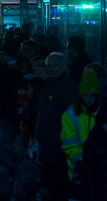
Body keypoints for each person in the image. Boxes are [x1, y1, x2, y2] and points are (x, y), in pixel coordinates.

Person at [36, 52, 79, 201]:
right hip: (49, 146)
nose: (52, 69)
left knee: (58, 187)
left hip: (58, 148)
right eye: (49, 66)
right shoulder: (48, 85)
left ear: (64, 66)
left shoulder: (67, 86)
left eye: (56, 66)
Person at [61, 68, 101, 199]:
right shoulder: (71, 114)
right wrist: (81, 161)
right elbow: (69, 143)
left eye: (93, 95)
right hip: (80, 168)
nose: (89, 99)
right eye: (86, 95)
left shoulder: (100, 113)